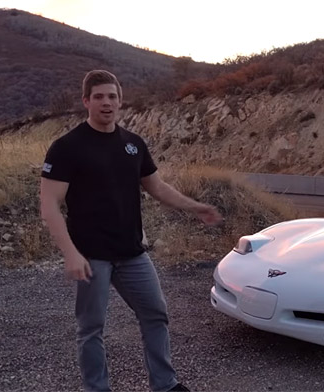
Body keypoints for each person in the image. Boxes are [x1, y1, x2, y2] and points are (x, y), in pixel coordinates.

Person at [39, 70, 222, 392]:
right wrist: (70, 254)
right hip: (91, 256)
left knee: (155, 316)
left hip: (132, 254)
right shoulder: (67, 147)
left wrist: (195, 207)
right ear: (86, 102)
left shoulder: (133, 145)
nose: (106, 103)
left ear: (120, 101)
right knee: (91, 328)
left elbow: (157, 187)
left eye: (112, 96)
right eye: (99, 97)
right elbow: (49, 204)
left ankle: (165, 385)